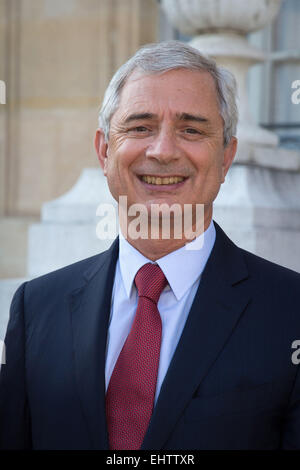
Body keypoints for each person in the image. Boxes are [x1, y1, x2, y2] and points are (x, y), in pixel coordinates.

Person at [0, 40, 300, 450]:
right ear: (105, 152)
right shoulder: (36, 308)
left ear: (226, 158)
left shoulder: (291, 311)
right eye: (140, 127)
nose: (162, 151)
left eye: (192, 129)